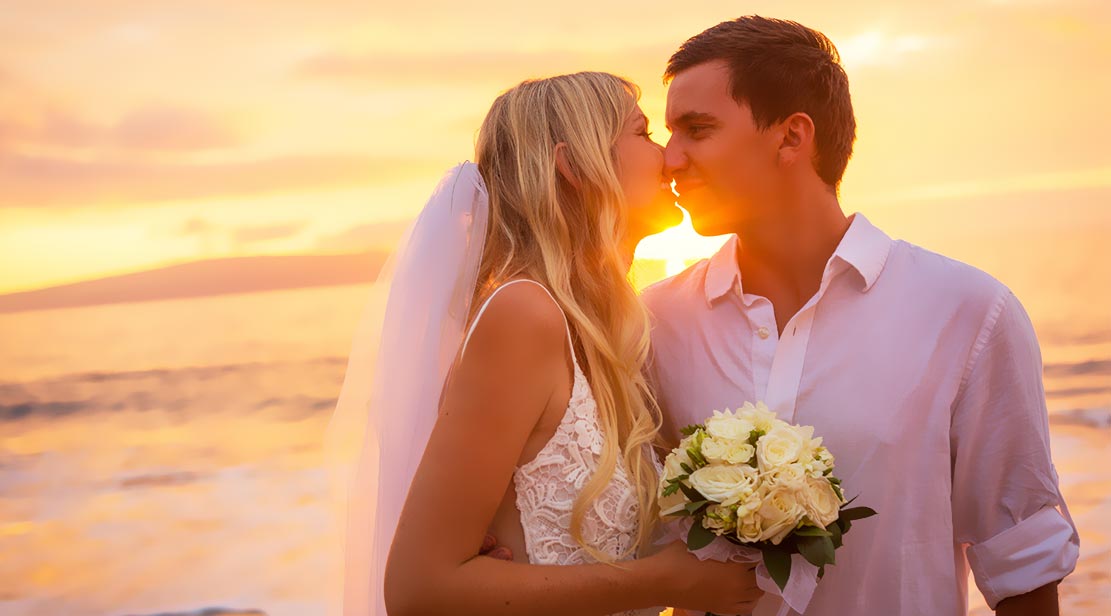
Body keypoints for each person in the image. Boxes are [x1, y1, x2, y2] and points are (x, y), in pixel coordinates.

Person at [644, 16, 1080, 616]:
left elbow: (1021, 566)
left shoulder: (967, 311)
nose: (670, 159)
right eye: (670, 134)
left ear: (791, 138)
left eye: (698, 129)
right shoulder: (652, 322)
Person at [331, 71, 763, 615]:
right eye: (644, 133)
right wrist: (664, 582)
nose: (670, 157)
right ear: (574, 166)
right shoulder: (524, 315)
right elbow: (419, 590)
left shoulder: (610, 331)